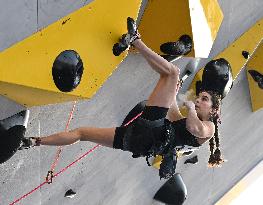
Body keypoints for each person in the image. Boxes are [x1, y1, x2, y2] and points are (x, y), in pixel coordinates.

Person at [21, 18, 224, 179]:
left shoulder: (209, 128)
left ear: (214, 111)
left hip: (152, 133)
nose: (198, 101)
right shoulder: (190, 126)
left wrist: (188, 104)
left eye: (204, 100)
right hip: (138, 143)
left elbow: (194, 127)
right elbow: (171, 113)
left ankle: (135, 40)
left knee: (172, 73)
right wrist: (173, 93)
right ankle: (33, 141)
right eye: (199, 98)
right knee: (82, 133)